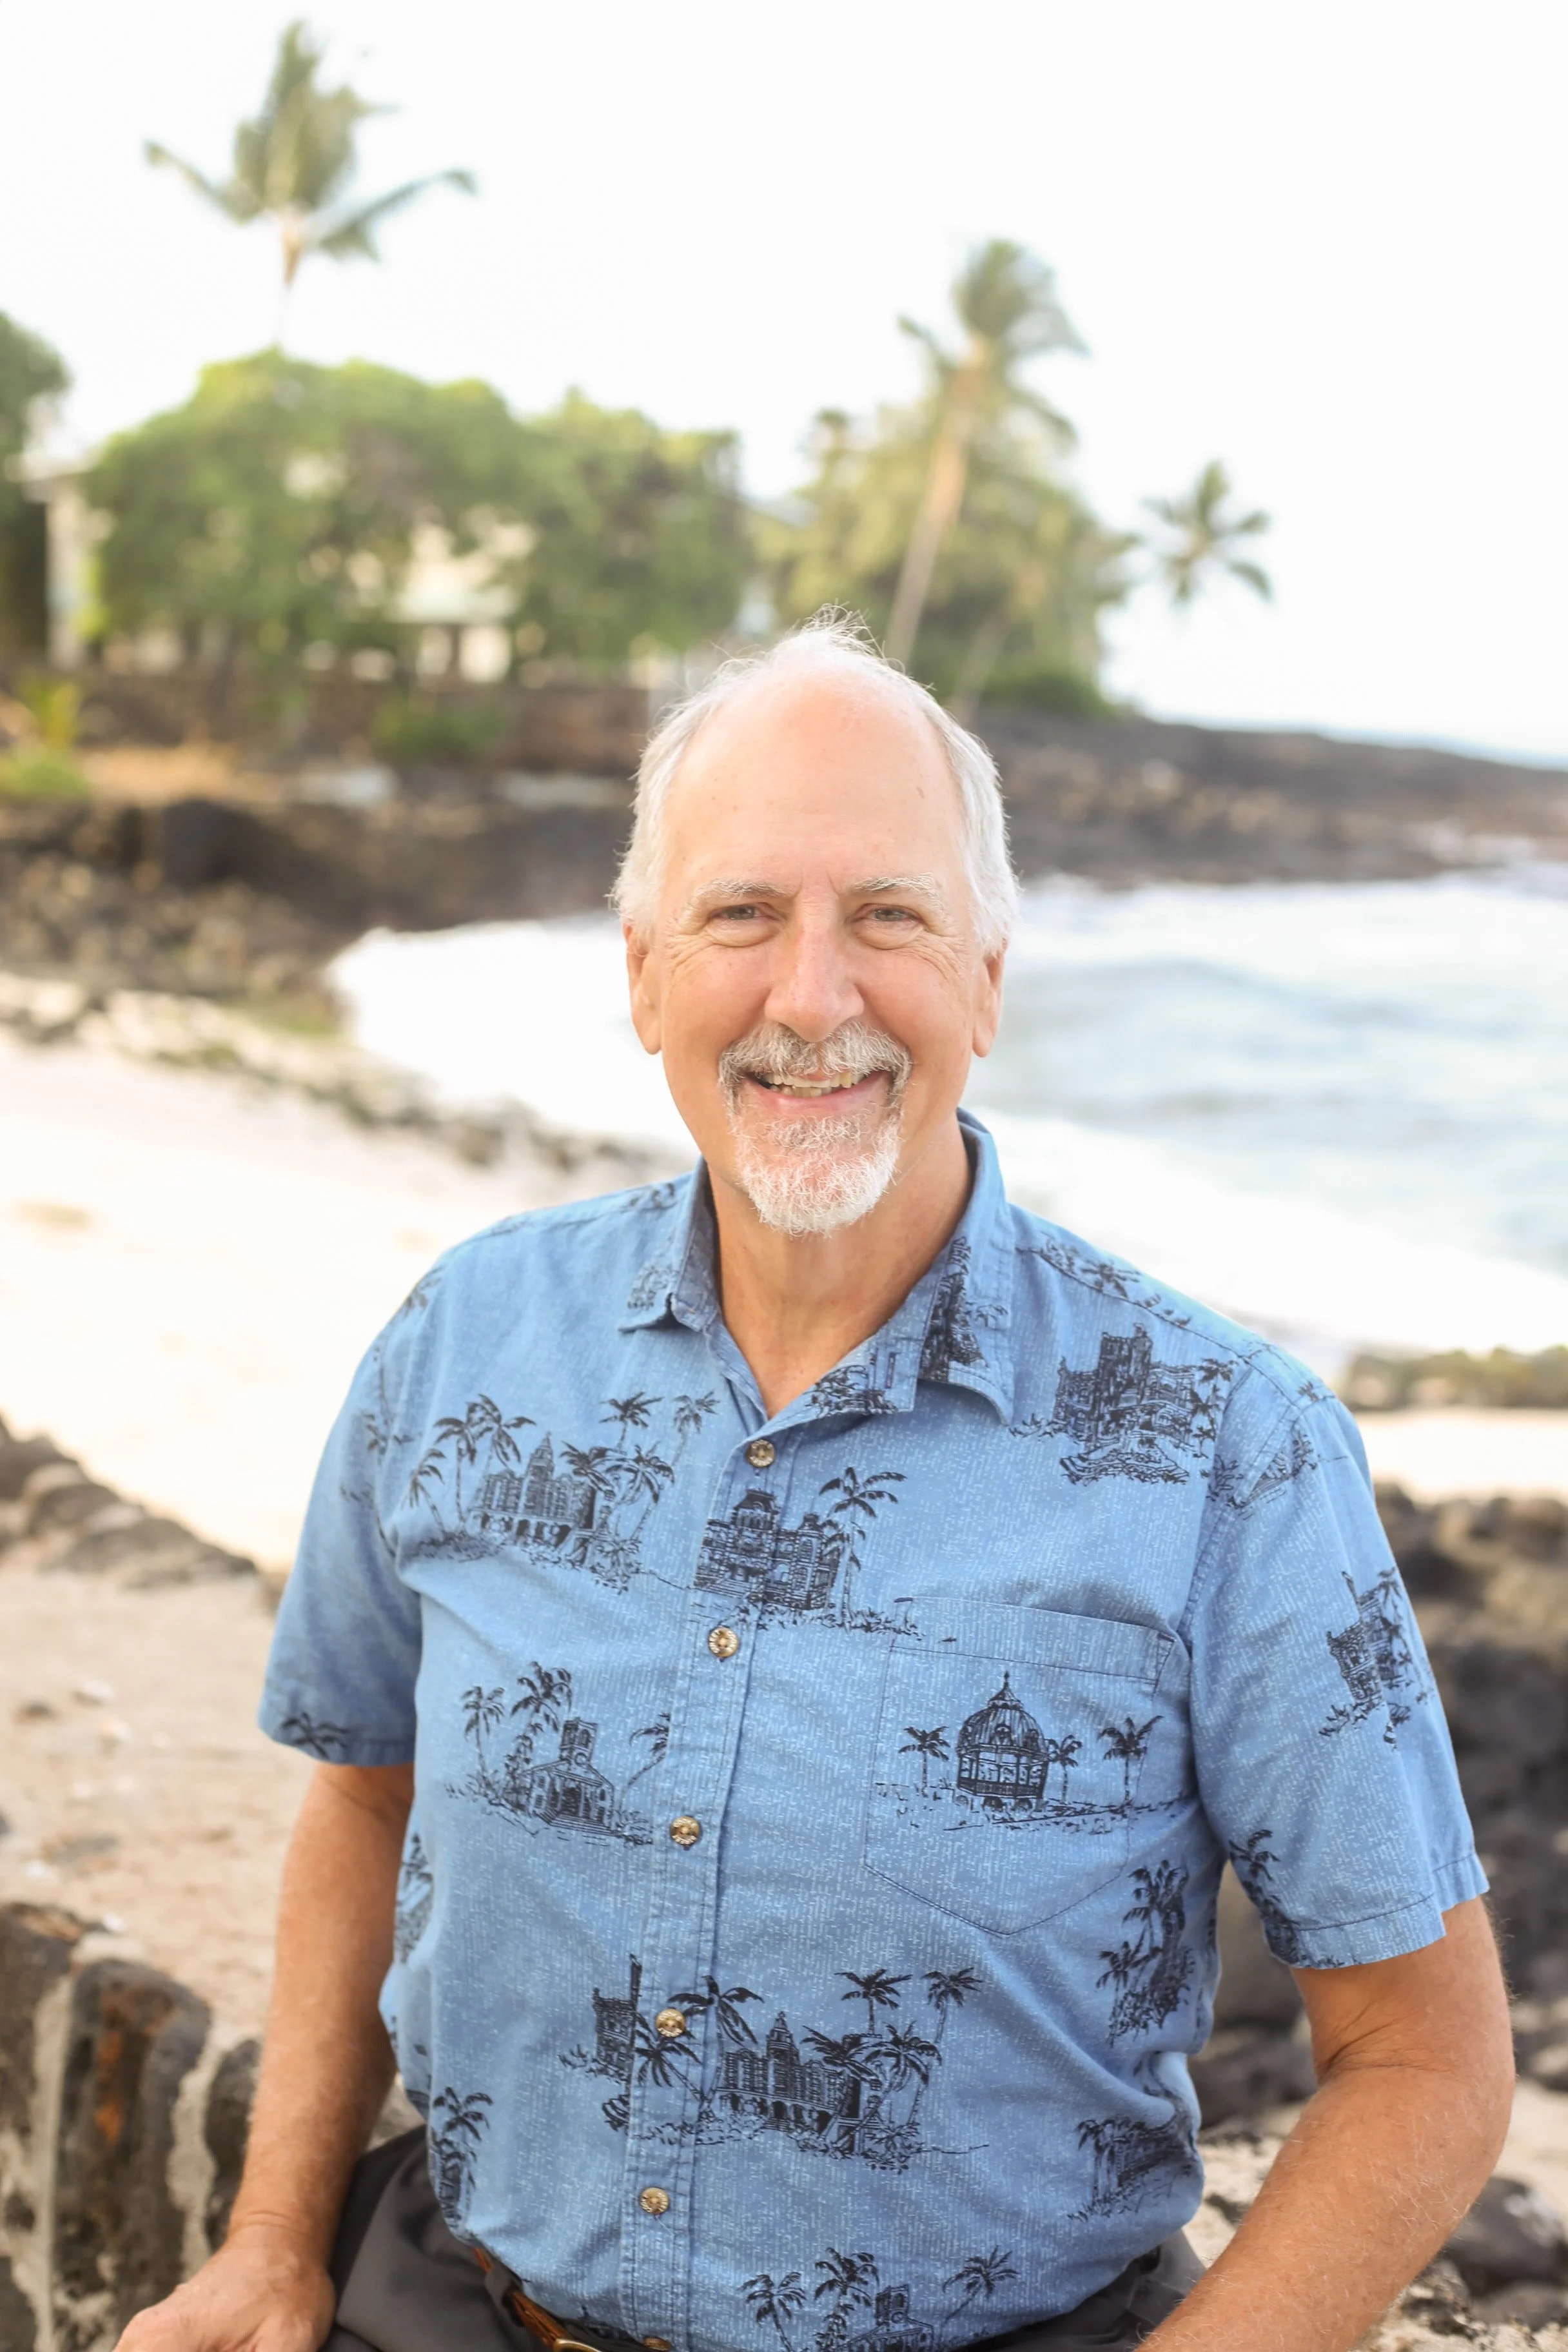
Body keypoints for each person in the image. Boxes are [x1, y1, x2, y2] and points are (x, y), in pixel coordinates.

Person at [121, 614, 1512, 2352]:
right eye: (743, 915)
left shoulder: (1236, 1448)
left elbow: (1429, 2056)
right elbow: (364, 1797)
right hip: (457, 2306)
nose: (812, 996)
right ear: (642, 974)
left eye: (891, 916)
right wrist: (269, 2245)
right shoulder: (463, 1341)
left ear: (990, 978)